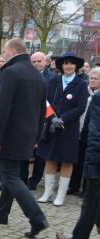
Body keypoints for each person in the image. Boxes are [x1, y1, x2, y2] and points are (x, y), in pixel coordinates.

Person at [0, 38, 49, 238]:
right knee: (12, 174)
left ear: (11, 52)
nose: (3, 56)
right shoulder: (38, 76)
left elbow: (3, 107)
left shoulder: (11, 72)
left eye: (4, 52)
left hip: (10, 134)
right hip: (28, 135)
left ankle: (37, 218)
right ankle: (1, 213)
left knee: (10, 176)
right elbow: (41, 110)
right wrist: (37, 136)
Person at [56, 68, 100, 239]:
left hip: (97, 163)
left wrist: (91, 164)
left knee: (91, 204)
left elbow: (96, 134)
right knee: (92, 206)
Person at [36, 52, 89, 207]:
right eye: (65, 63)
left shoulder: (80, 84)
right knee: (50, 158)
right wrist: (51, 118)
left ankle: (61, 194)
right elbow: (44, 102)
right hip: (51, 126)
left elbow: (81, 107)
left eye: (72, 63)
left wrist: (63, 119)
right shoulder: (53, 81)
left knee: (67, 160)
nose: (68, 66)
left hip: (69, 128)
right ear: (61, 65)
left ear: (76, 66)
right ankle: (48, 192)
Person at [69, 67, 100, 195]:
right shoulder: (84, 92)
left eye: (95, 79)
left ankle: (87, 187)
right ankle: (74, 185)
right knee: (77, 159)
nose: (92, 81)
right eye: (91, 78)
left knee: (90, 161)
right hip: (80, 129)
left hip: (93, 133)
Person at [26, 52, 54, 190]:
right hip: (28, 117)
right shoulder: (25, 75)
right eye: (34, 61)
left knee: (40, 152)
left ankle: (34, 179)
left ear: (45, 62)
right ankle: (22, 176)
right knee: (25, 148)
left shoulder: (52, 78)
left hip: (45, 118)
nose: (37, 64)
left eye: (39, 61)